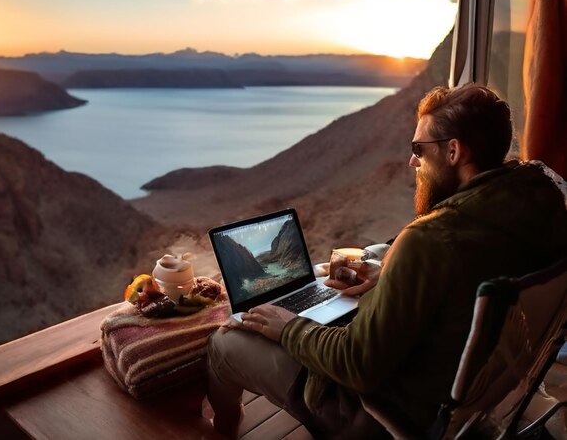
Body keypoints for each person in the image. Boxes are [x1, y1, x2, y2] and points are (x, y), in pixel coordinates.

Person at [206, 84, 567, 439]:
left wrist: (288, 328)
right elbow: (461, 281)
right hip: (475, 392)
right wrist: (388, 276)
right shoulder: (543, 207)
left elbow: (357, 365)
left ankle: (217, 429)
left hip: (382, 413)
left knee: (224, 344)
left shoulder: (431, 239)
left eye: (419, 148)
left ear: (454, 151)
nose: (412, 160)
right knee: (376, 253)